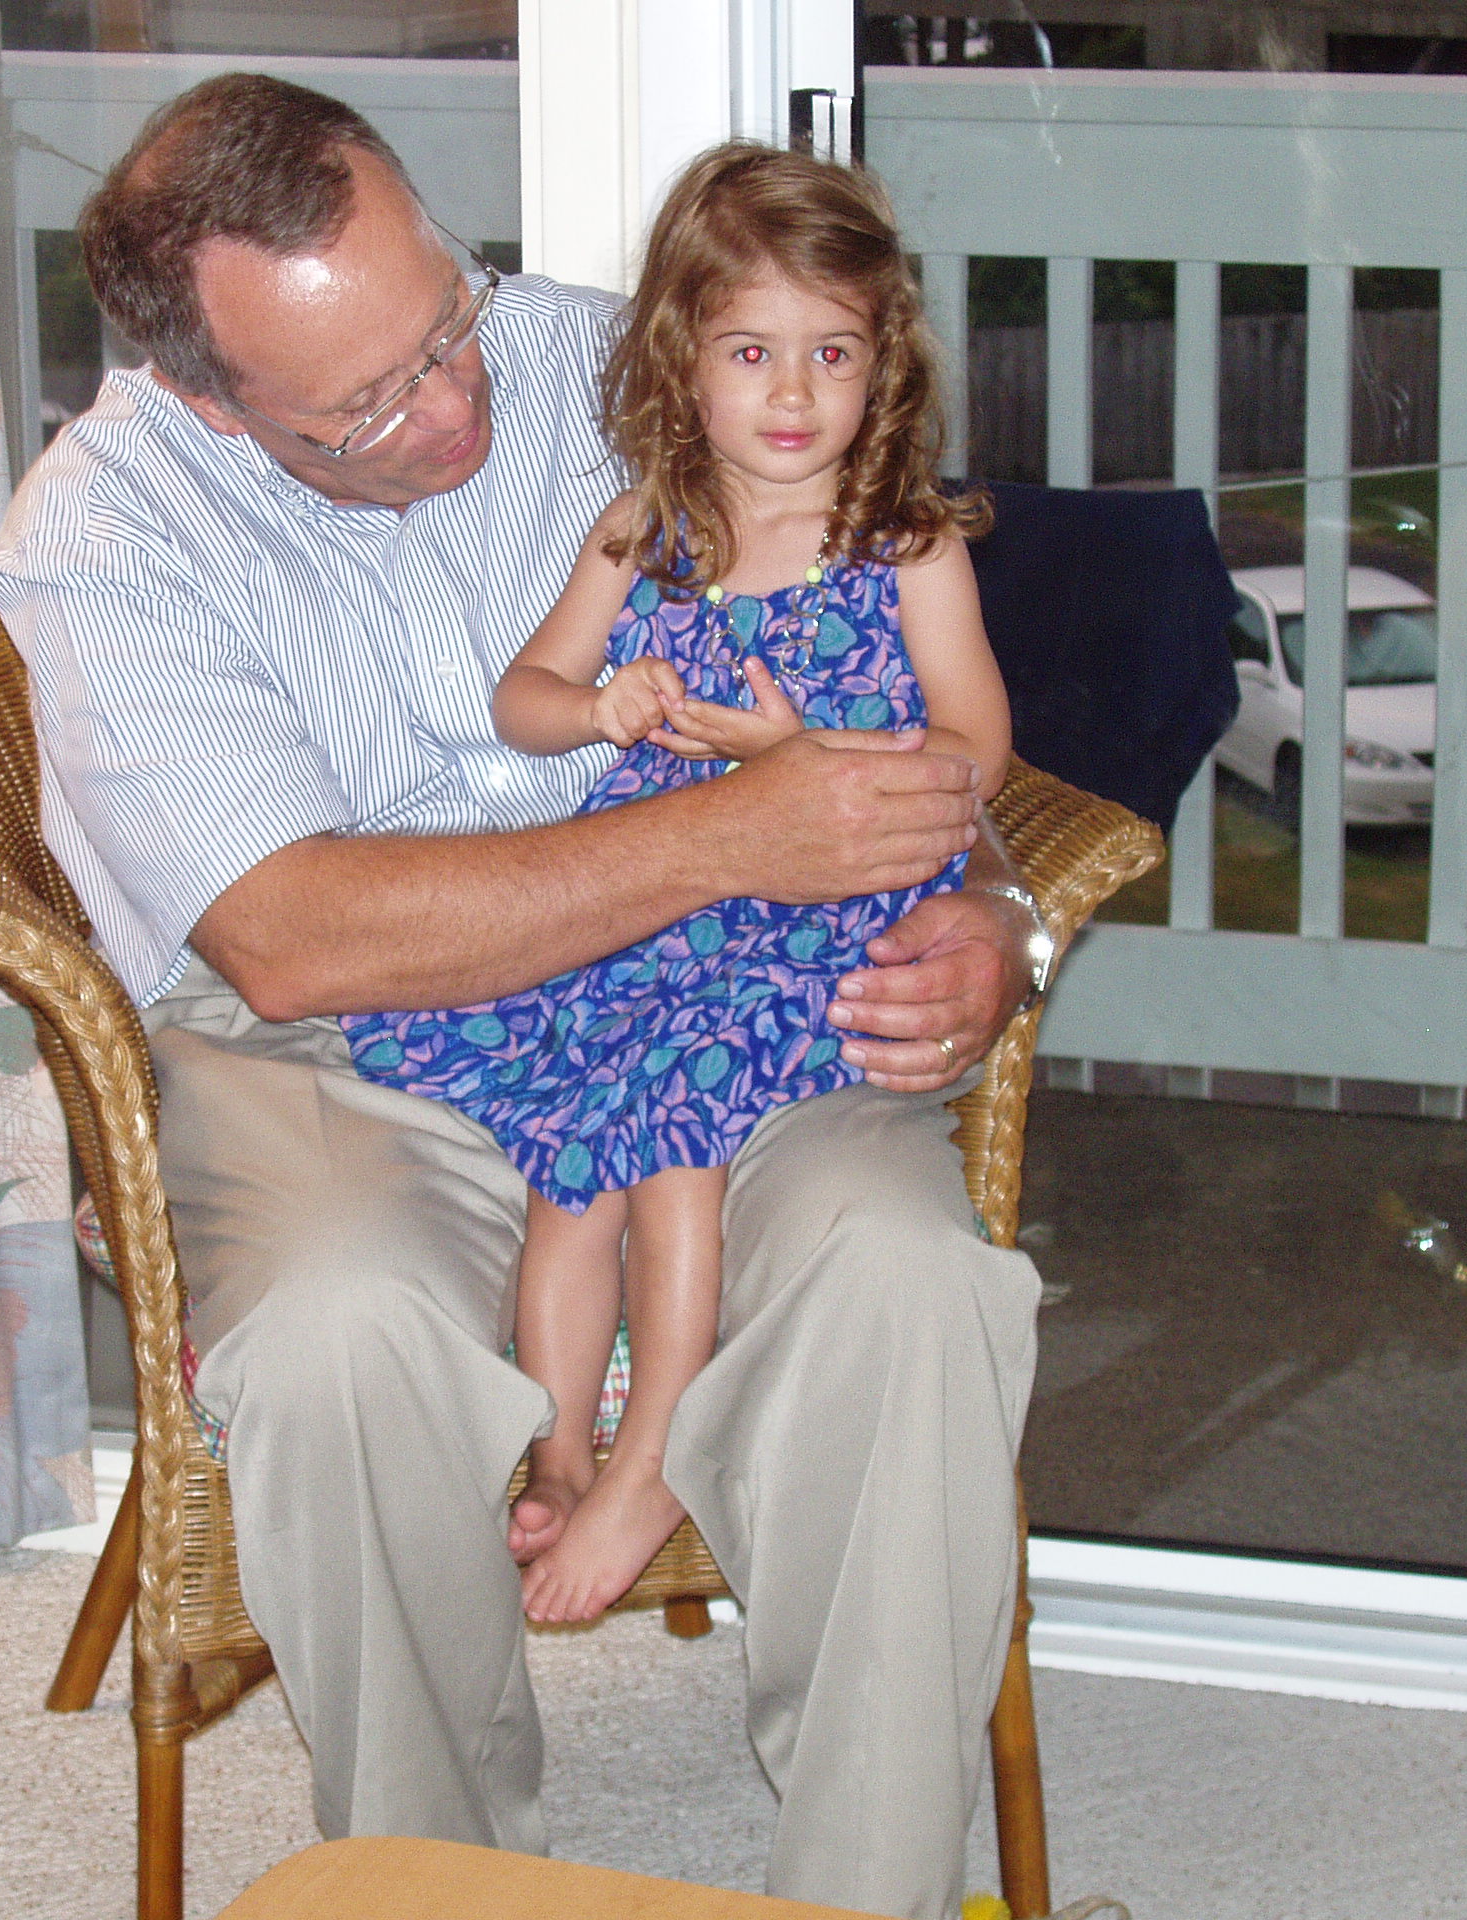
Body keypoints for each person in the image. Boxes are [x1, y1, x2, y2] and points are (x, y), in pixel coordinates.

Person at [0, 73, 1052, 1920]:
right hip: (331, 1039)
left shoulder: (626, 364)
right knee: (340, 1338)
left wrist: (994, 911)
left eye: (447, 323)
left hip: (724, 989)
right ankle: (433, 1884)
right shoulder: (107, 533)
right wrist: (728, 830)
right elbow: (291, 936)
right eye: (367, 403)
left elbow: (911, 696)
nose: (454, 403)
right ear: (212, 396)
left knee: (912, 1283)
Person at [340, 143, 1012, 1628]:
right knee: (570, 1177)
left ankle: (656, 1457)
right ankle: (560, 1453)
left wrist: (800, 752)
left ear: (883, 366)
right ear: (682, 363)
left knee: (675, 1137)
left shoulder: (901, 548)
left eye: (833, 352)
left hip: (807, 922)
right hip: (645, 907)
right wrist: (604, 708)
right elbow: (523, 699)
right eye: (752, 352)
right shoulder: (645, 530)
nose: (794, 393)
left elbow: (977, 753)